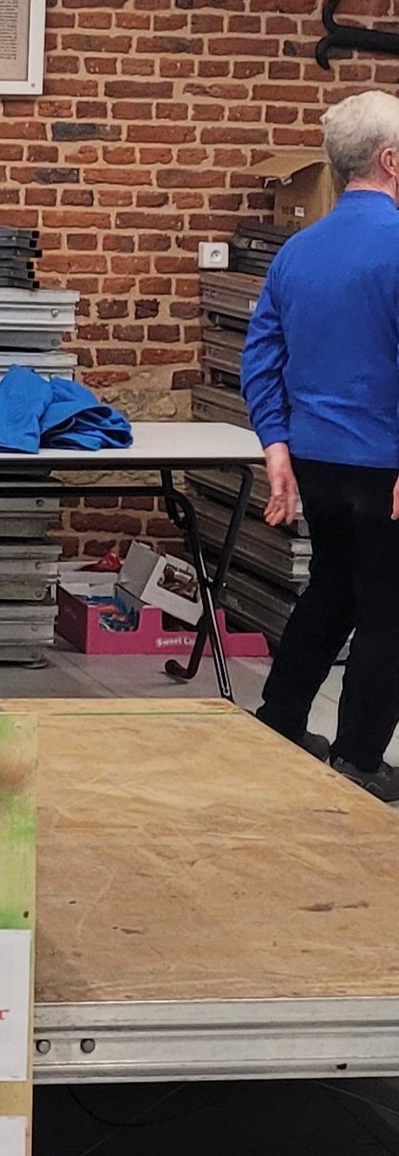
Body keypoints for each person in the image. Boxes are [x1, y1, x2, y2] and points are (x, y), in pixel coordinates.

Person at [241, 88, 399, 798]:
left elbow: (261, 353)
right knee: (387, 609)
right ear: (390, 160)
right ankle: (359, 762)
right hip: (384, 461)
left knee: (332, 587)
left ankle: (278, 722)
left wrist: (275, 446)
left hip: (314, 456)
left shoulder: (296, 252)